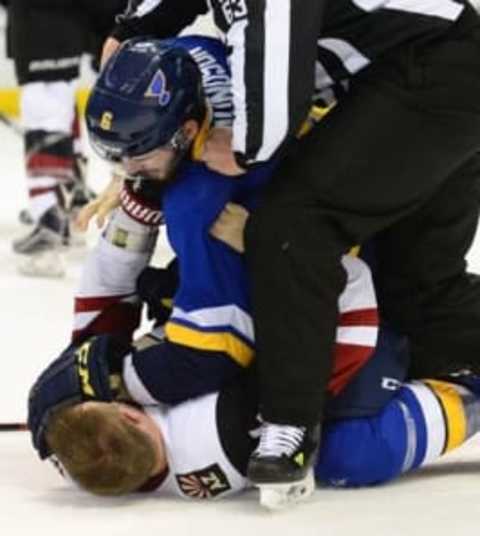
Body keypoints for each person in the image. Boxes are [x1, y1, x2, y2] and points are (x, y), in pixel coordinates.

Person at [100, 0, 480, 502]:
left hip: (432, 74)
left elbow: (272, 57)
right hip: (439, 70)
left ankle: (289, 427)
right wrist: (131, 30)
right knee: (416, 289)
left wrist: (245, 147)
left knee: (292, 226)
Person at [6, 0, 126, 277]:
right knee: (59, 100)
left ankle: (50, 217)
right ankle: (72, 203)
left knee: (46, 104)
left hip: (45, 15)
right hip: (86, 17)